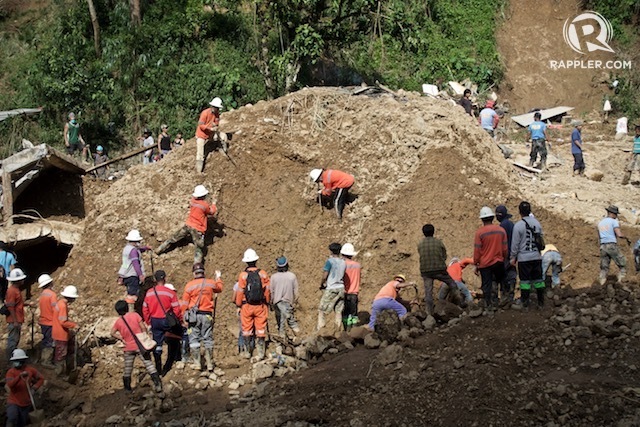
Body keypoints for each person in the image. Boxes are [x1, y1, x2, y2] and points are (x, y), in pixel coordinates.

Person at [155, 185, 217, 264]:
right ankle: (197, 266)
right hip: (198, 228)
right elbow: (211, 212)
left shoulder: (193, 201)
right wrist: (214, 205)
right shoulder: (204, 206)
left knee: (174, 237)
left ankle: (160, 249)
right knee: (199, 248)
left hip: (189, 224)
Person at [111, 300, 163, 393]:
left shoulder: (118, 322)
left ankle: (127, 389)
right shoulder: (135, 315)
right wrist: (145, 336)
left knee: (128, 368)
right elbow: (143, 327)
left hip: (128, 347)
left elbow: (112, 333)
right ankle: (157, 384)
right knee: (149, 364)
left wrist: (121, 338)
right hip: (140, 346)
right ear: (127, 307)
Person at [182, 263, 223, 372]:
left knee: (194, 339)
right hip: (207, 315)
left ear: (193, 273)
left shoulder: (189, 285)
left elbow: (185, 303)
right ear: (203, 272)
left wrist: (183, 317)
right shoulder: (210, 283)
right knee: (207, 338)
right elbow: (219, 288)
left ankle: (197, 363)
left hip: (193, 316)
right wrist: (218, 278)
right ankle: (209, 364)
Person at [142, 270, 182, 374]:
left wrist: (148, 321)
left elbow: (145, 309)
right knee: (173, 340)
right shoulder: (170, 292)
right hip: (167, 320)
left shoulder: (149, 293)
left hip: (155, 320)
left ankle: (158, 367)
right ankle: (169, 365)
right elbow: (177, 309)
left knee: (157, 343)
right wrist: (178, 320)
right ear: (164, 278)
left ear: (155, 279)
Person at [235, 249, 270, 361]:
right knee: (260, 329)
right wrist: (267, 302)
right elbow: (267, 290)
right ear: (256, 260)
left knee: (246, 329)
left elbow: (240, 291)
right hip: (260, 306)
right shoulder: (263, 273)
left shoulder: (243, 275)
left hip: (247, 306)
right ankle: (260, 353)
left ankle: (248, 352)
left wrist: (239, 304)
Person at [417, 224, 460, 316]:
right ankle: (460, 302)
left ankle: (429, 312)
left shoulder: (420, 244)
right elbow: (444, 255)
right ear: (433, 231)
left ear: (423, 233)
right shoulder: (438, 242)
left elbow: (421, 255)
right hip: (439, 269)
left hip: (426, 271)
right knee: (452, 283)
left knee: (428, 291)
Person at [510, 202, 545, 311]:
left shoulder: (518, 225)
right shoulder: (537, 224)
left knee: (525, 282)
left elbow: (515, 244)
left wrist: (513, 257)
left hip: (524, 258)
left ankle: (524, 304)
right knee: (539, 281)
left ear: (520, 211)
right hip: (536, 257)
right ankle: (541, 303)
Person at [474, 207, 508, 310]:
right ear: (492, 217)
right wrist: (503, 258)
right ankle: (504, 302)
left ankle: (488, 305)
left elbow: (477, 251)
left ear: (482, 219)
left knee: (487, 285)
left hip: (485, 264)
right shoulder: (501, 230)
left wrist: (476, 263)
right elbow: (505, 248)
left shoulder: (479, 233)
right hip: (498, 262)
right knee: (502, 281)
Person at [5, 349, 45, 427]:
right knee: (12, 419)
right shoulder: (10, 372)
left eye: (17, 361)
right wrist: (19, 377)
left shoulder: (30, 370)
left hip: (26, 403)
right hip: (14, 402)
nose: (15, 363)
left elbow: (41, 378)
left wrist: (34, 388)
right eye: (14, 361)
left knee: (22, 423)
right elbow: (10, 384)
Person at [118, 230, 152, 312]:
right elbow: (135, 263)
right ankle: (131, 312)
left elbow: (138, 249)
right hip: (132, 275)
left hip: (125, 274)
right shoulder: (133, 251)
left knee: (131, 293)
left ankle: (130, 311)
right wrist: (140, 275)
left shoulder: (127, 248)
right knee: (132, 295)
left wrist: (146, 248)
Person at [597, 205, 630, 285]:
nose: (616, 216)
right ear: (612, 213)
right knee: (623, 263)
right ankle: (622, 281)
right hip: (611, 245)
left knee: (604, 267)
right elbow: (619, 234)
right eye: (616, 214)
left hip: (602, 246)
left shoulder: (600, 223)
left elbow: (599, 236)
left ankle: (601, 283)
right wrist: (626, 237)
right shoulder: (613, 221)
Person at [317, 243, 346, 331]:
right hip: (341, 287)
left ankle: (320, 331)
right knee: (338, 311)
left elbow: (325, 275)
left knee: (322, 309)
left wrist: (322, 284)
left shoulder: (329, 261)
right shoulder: (343, 262)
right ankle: (337, 331)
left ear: (331, 251)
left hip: (331, 288)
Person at [269, 257, 300, 339]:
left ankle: (282, 339)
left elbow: (271, 292)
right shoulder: (292, 276)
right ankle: (298, 337)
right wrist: (294, 303)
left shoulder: (273, 277)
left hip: (277, 304)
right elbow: (296, 292)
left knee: (280, 322)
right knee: (291, 321)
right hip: (287, 303)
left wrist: (271, 303)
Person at [195, 97, 227, 173]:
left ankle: (222, 149)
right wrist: (210, 128)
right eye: (216, 108)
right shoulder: (205, 113)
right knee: (200, 152)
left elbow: (216, 123)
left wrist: (215, 126)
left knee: (223, 136)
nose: (217, 110)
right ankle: (199, 170)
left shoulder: (217, 114)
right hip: (201, 134)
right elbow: (200, 125)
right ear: (212, 107)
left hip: (210, 134)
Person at [52, 285, 78, 377]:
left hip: (56, 331)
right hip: (61, 334)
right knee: (61, 355)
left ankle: (61, 373)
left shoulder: (59, 303)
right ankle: (59, 374)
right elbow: (63, 322)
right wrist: (74, 325)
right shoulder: (63, 306)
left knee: (60, 354)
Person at [5, 268, 28, 362]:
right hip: (14, 320)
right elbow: (11, 307)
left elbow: (16, 303)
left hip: (17, 319)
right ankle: (10, 360)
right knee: (12, 341)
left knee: (15, 340)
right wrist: (14, 320)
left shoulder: (16, 290)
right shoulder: (12, 291)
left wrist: (27, 304)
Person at [496, 205, 517, 305]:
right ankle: (511, 297)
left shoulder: (502, 227)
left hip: (505, 255)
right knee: (512, 276)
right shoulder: (511, 224)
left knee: (504, 278)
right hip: (512, 254)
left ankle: (505, 299)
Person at [162, 283, 183, 375]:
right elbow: (178, 312)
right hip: (172, 327)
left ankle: (166, 368)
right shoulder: (171, 304)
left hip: (167, 326)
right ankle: (166, 369)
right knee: (173, 347)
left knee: (174, 346)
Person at [37, 274, 57, 367]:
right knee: (50, 341)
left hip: (43, 321)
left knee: (45, 339)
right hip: (50, 322)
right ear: (50, 283)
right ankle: (46, 361)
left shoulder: (42, 294)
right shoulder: (52, 294)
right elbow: (55, 309)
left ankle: (42, 358)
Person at [341, 243, 362, 331]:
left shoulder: (342, 265)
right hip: (354, 293)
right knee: (354, 313)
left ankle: (346, 330)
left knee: (345, 313)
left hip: (345, 293)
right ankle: (354, 330)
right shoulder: (358, 265)